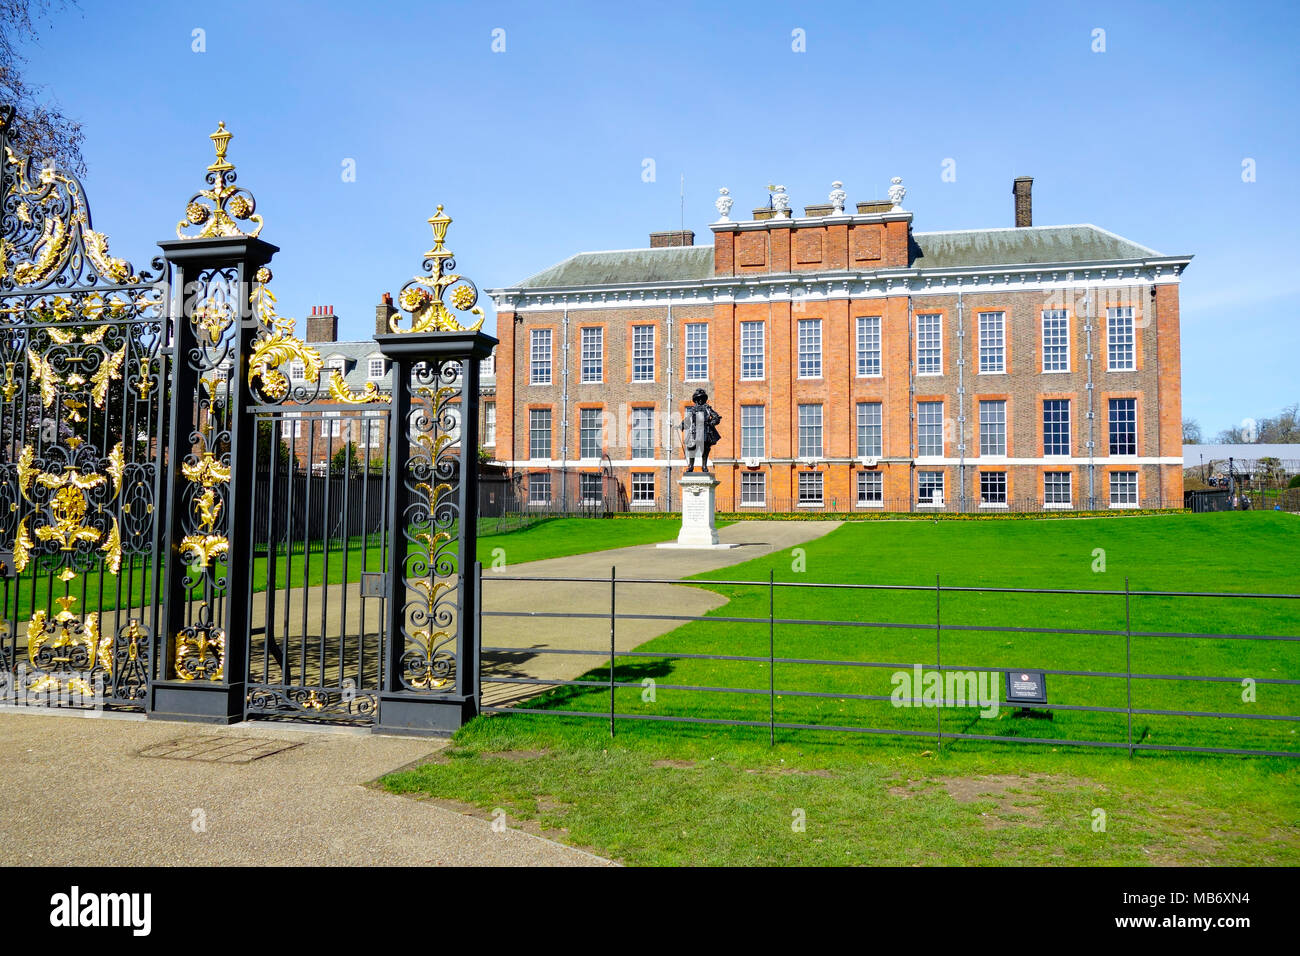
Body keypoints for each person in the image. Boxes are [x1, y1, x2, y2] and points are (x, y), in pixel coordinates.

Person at [680, 388, 722, 473]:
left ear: (703, 399)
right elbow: (688, 418)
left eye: (701, 398)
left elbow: (716, 417)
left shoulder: (707, 408)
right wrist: (682, 424)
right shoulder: (694, 409)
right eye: (698, 398)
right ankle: (691, 466)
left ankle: (704, 466)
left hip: (705, 431)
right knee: (692, 447)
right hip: (695, 431)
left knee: (705, 448)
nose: (699, 400)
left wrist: (712, 422)